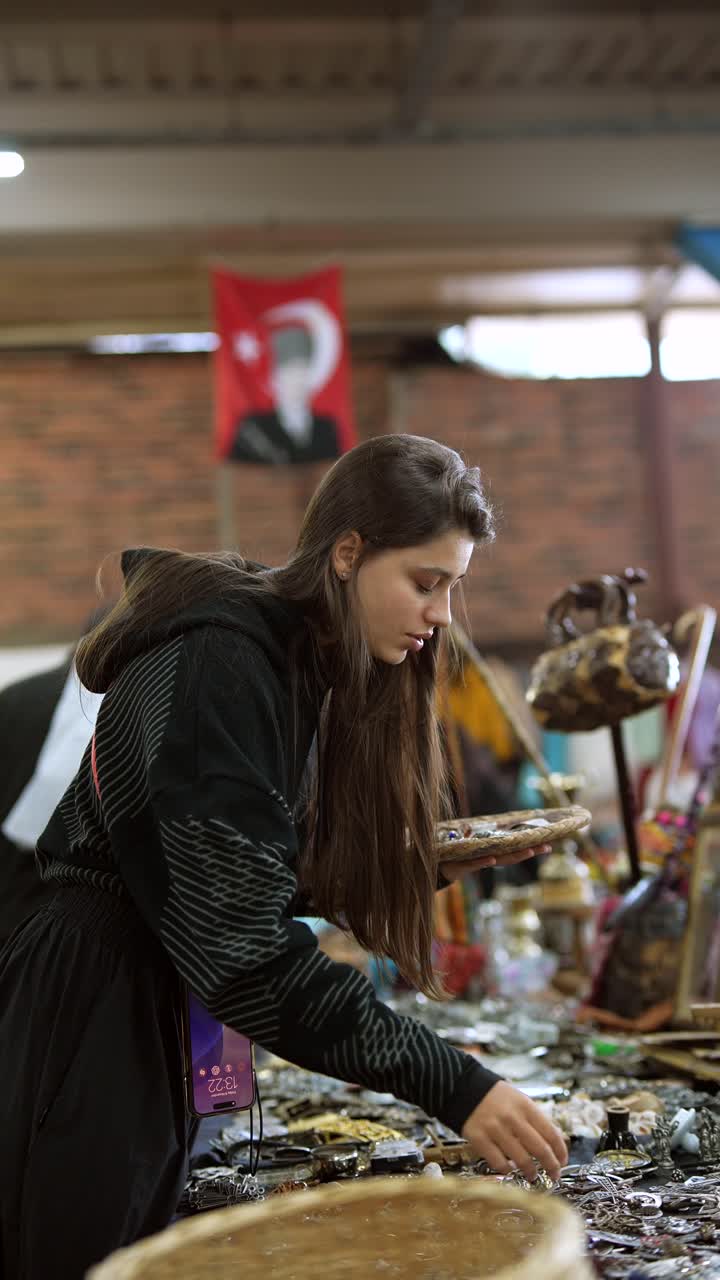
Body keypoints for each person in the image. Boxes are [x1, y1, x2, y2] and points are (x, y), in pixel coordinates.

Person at [0, 434, 566, 1279]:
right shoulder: (222, 661)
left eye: (453, 587)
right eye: (425, 582)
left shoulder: (282, 661)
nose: (442, 615)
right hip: (95, 1012)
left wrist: (399, 870)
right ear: (348, 553)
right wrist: (452, 1082)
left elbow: (221, 867)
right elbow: (244, 947)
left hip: (146, 996)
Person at [228, 325, 341, 464]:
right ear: (275, 378)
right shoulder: (252, 427)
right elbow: (237, 469)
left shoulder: (326, 427)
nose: (297, 381)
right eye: (289, 373)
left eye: (302, 372)